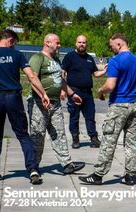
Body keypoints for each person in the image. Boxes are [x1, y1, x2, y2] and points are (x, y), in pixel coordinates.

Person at [78, 33, 136, 186]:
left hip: (119, 104)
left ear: (119, 44)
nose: (110, 48)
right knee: (131, 141)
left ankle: (98, 174)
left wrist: (100, 91)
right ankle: (130, 175)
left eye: (111, 45)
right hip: (135, 104)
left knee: (109, 140)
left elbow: (110, 86)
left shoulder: (116, 60)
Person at [0, 29, 50, 184]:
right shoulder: (17, 55)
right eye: (15, 43)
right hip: (13, 97)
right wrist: (43, 94)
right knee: (22, 134)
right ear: (11, 40)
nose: (15, 46)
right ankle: (33, 169)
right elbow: (32, 76)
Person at [28, 33, 85, 175]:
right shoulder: (38, 58)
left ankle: (67, 164)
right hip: (38, 103)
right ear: (48, 43)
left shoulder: (56, 60)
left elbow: (61, 80)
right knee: (38, 135)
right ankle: (34, 166)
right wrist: (43, 95)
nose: (59, 45)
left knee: (59, 133)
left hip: (55, 104)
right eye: (57, 43)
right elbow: (32, 78)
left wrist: (72, 94)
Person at [61, 35, 106, 149]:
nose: (82, 44)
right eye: (80, 42)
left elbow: (95, 74)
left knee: (90, 117)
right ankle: (75, 139)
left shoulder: (90, 58)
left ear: (86, 44)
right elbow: (62, 73)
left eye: (84, 42)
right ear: (76, 43)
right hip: (74, 92)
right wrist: (63, 89)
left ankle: (94, 139)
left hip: (88, 94)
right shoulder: (69, 57)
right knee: (74, 117)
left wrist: (105, 70)